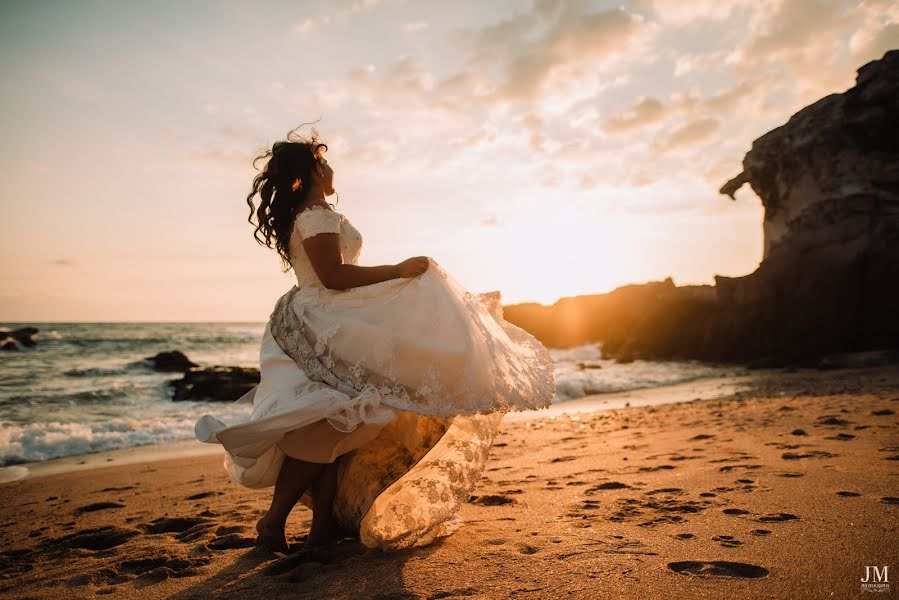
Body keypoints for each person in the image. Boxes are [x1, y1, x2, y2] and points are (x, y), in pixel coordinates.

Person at [195, 126, 555, 553]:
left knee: (336, 427)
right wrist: (397, 270)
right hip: (320, 324)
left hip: (323, 317)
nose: (329, 168)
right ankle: (273, 523)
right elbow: (333, 276)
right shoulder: (316, 216)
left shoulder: (315, 214)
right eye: (322, 162)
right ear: (309, 172)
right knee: (329, 421)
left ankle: (321, 526)